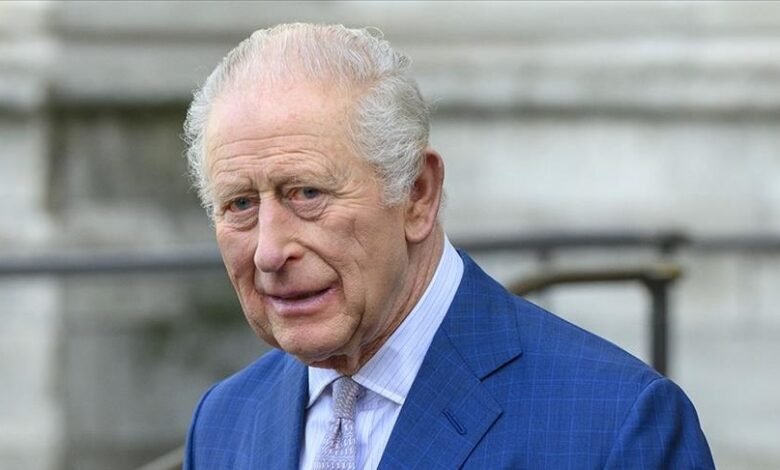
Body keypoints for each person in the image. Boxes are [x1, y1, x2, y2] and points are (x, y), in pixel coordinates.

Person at [182, 23, 714, 469]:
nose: (269, 252)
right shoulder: (223, 422)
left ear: (417, 195)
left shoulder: (613, 424)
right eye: (240, 204)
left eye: (307, 194)